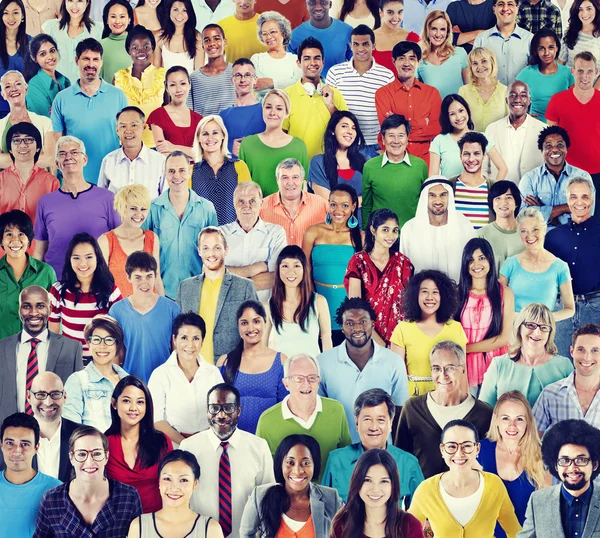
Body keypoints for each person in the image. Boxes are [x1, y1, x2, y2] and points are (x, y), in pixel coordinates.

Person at [180, 383, 275, 538]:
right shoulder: (188, 447)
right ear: (207, 411)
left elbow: (268, 499)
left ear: (238, 410)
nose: (221, 415)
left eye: (228, 408)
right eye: (215, 408)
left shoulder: (259, 447)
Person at [395, 341, 494, 478]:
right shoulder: (412, 409)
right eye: (436, 368)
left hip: (467, 495)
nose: (443, 375)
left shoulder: (483, 413)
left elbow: (490, 464)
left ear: (463, 369)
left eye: (450, 368)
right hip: (423, 497)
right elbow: (401, 460)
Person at [408, 419, 522, 537]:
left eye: (466, 446)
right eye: (451, 446)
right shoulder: (426, 490)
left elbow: (514, 531)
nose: (459, 454)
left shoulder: (494, 484)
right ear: (442, 449)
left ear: (477, 448)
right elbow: (407, 532)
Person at [318, 298, 410, 439]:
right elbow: (319, 412)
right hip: (340, 451)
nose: (357, 328)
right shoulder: (323, 362)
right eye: (350, 323)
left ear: (372, 325)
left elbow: (399, 411)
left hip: (382, 453)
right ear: (342, 328)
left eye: (363, 321)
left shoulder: (393, 361)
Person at [255, 354, 352, 481]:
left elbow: (346, 458)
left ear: (319, 381)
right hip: (285, 498)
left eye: (312, 378)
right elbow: (261, 471)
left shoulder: (336, 410)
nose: (306, 384)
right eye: (298, 379)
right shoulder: (267, 420)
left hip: (330, 498)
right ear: (286, 384)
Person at [33, 425, 143, 537]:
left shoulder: (129, 496)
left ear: (106, 456)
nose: (90, 461)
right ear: (71, 458)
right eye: (81, 454)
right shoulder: (51, 500)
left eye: (97, 453)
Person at [322, 389, 423, 505]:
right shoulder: (336, 460)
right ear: (356, 423)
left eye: (380, 420)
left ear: (390, 423)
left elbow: (421, 514)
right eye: (367, 419)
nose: (374, 427)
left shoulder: (408, 463)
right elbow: (323, 510)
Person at [176, 227, 260, 364]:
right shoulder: (185, 287)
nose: (211, 254)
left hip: (231, 369)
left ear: (226, 249)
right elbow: (178, 332)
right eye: (205, 248)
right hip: (193, 369)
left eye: (217, 248)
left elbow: (255, 332)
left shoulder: (244, 286)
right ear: (199, 251)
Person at [50, 38, 128, 184]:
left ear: (101, 62)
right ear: (76, 60)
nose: (91, 64)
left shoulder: (118, 96)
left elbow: (125, 138)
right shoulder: (61, 99)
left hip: (111, 178)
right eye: (86, 59)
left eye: (95, 59)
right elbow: (58, 144)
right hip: (74, 180)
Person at [143, 151, 218, 299]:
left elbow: (216, 253)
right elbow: (144, 253)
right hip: (162, 294)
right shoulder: (152, 209)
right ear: (164, 173)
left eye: (182, 170)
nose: (177, 176)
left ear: (190, 171)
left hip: (199, 293)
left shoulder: (207, 208)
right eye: (171, 171)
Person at [0, 285, 83, 419]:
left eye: (40, 306)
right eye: (27, 306)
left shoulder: (72, 348)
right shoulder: (2, 348)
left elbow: (78, 397)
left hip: (56, 433)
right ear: (19, 310)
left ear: (49, 309)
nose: (33, 313)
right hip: (9, 433)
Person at [240, 433, 342, 536]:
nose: (297, 471)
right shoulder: (259, 496)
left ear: (315, 465)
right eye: (290, 462)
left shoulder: (331, 498)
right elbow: (246, 533)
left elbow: (349, 529)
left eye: (306, 463)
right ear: (280, 463)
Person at [148, 313, 224, 446]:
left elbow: (222, 412)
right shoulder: (160, 374)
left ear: (202, 341)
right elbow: (157, 421)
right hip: (173, 446)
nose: (190, 344)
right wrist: (186, 443)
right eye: (184, 338)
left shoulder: (213, 373)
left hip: (209, 443)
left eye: (196, 338)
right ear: (174, 339)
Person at [479, 303, 574, 408]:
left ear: (550, 333)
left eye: (544, 327)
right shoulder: (499, 364)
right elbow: (485, 411)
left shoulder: (564, 365)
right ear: (519, 327)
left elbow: (572, 409)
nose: (537, 332)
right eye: (531, 325)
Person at [545, 177, 600, 357]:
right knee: (560, 361)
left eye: (584, 197)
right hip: (561, 310)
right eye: (574, 197)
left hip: (595, 307)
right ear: (567, 200)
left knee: (594, 363)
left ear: (592, 199)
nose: (579, 202)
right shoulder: (553, 237)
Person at [478, 391, 545, 538]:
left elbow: (547, 511)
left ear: (528, 421)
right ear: (495, 419)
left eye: (519, 419)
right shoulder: (478, 451)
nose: (512, 425)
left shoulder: (541, 456)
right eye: (506, 418)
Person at [518, 419, 600, 538]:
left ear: (594, 465)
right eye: (565, 460)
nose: (572, 468)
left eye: (581, 460)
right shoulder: (538, 501)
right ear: (555, 465)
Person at [48, 233, 122, 363]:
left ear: (97, 258)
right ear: (69, 260)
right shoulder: (58, 291)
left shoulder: (111, 292)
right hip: (69, 360)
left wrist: (114, 369)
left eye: (89, 257)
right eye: (76, 258)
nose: (83, 263)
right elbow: (53, 336)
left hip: (102, 361)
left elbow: (118, 336)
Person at [391, 270, 467, 396]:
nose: (430, 297)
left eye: (435, 292)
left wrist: (466, 407)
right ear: (416, 295)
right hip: (414, 399)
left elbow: (463, 375)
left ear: (443, 296)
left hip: (449, 397)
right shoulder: (402, 329)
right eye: (424, 292)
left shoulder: (456, 328)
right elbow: (396, 377)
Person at [109, 252, 180, 383]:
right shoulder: (116, 311)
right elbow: (115, 352)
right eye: (138, 277)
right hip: (129, 382)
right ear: (128, 277)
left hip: (164, 383)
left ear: (156, 276)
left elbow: (177, 353)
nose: (144, 283)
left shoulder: (172, 309)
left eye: (149, 276)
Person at [345, 208, 414, 346]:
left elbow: (410, 305)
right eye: (385, 230)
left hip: (399, 340)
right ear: (373, 230)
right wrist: (381, 344)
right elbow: (356, 308)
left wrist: (396, 344)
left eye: (395, 230)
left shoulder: (404, 263)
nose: (391, 235)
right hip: (367, 338)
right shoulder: (358, 262)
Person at [105, 376, 173, 513]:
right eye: (126, 401)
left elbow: (172, 485)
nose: (133, 408)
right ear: (114, 403)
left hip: (156, 522)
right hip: (118, 523)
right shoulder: (104, 443)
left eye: (140, 402)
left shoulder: (162, 441)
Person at [217, 301, 287, 434]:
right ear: (237, 326)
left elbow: (287, 406)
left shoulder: (281, 361)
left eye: (256, 321)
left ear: (265, 323)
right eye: (244, 323)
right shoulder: (225, 362)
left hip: (270, 438)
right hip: (232, 439)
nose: (251, 328)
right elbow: (216, 408)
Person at [303, 184, 362, 341]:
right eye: (333, 204)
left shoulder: (360, 238)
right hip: (318, 301)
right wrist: (311, 301)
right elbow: (305, 270)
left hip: (349, 306)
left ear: (353, 207)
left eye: (345, 205)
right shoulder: (313, 231)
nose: (338, 210)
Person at [324, 26, 394, 158]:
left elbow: (390, 114)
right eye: (356, 44)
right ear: (350, 46)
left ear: (374, 45)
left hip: (375, 145)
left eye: (365, 44)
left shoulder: (387, 75)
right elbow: (327, 108)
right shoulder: (335, 73)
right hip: (344, 144)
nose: (360, 49)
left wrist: (384, 146)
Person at [457, 238, 514, 394]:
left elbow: (503, 339)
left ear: (490, 259)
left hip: (495, 363)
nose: (477, 265)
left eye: (481, 258)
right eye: (471, 260)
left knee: (494, 412)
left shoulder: (506, 293)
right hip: (465, 366)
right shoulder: (457, 293)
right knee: (469, 413)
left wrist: (465, 348)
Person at [126, 450, 225, 538]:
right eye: (167, 479)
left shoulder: (211, 529)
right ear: (159, 482)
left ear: (195, 484)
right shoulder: (139, 526)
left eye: (183, 480)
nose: (174, 487)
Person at [375, 41, 442, 165]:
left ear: (419, 62)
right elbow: (388, 128)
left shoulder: (432, 93)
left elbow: (436, 128)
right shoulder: (382, 93)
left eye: (412, 58)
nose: (407, 63)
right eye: (401, 58)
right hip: (393, 160)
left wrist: (400, 132)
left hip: (425, 161)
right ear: (393, 62)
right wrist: (422, 122)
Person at [330, 449, 425, 537]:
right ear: (357, 481)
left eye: (384, 481)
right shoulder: (342, 523)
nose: (375, 489)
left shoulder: (410, 525)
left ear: (393, 485)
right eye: (367, 480)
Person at [499, 208, 575, 317]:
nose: (529, 236)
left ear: (544, 229)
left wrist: (543, 320)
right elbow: (498, 304)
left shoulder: (560, 267)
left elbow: (570, 309)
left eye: (535, 229)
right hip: (513, 330)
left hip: (543, 331)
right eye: (524, 231)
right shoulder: (510, 264)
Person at [220, 181, 287, 303]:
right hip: (227, 311)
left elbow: (277, 277)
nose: (247, 206)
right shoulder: (220, 234)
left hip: (264, 312)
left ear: (261, 203)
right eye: (241, 201)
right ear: (234, 204)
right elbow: (210, 273)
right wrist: (252, 269)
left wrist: (228, 279)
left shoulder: (276, 233)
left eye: (252, 201)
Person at [283, 37, 349, 160]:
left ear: (323, 62)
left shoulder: (335, 94)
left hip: (329, 167)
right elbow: (280, 136)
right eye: (307, 58)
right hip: (297, 169)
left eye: (317, 58)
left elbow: (347, 131)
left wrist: (331, 106)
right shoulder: (286, 96)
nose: (313, 63)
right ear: (298, 63)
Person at [400, 178, 476, 282]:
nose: (438, 200)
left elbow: (473, 263)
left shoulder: (464, 226)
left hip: (458, 293)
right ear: (424, 198)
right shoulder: (409, 228)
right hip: (420, 294)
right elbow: (404, 269)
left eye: (443, 195)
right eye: (432, 195)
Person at [361, 114, 428, 229]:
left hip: (412, 233)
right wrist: (365, 232)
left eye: (401, 136)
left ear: (407, 138)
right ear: (383, 139)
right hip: (380, 235)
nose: (396, 141)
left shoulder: (420, 165)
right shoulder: (370, 167)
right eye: (391, 136)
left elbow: (425, 203)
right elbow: (367, 205)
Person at [263, 245, 332, 357]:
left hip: (311, 372)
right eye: (285, 266)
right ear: (278, 269)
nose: (291, 272)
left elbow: (326, 339)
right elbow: (263, 347)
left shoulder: (319, 302)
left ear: (304, 269)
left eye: (296, 266)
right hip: (282, 372)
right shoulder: (268, 306)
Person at [62, 316, 128, 432]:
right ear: (89, 343)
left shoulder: (128, 380)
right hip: (93, 448)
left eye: (109, 340)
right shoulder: (77, 381)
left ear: (117, 344)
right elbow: (70, 429)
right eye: (96, 339)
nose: (102, 346)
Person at [0, 413, 61, 538]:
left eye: (25, 444)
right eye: (10, 443)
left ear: (36, 447)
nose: (17, 450)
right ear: (1, 445)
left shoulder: (56, 490)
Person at [520, 125, 594, 227]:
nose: (554, 150)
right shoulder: (529, 179)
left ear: (566, 149)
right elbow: (524, 217)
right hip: (540, 239)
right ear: (541, 150)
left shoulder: (583, 176)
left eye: (560, 145)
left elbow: (587, 214)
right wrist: (566, 207)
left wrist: (542, 210)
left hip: (573, 238)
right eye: (548, 146)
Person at [98, 185, 165, 298]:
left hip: (148, 308)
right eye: (133, 208)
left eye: (143, 209)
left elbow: (157, 277)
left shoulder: (152, 238)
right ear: (123, 208)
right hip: (117, 309)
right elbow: (100, 281)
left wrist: (165, 306)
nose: (139, 214)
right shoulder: (106, 241)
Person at [238, 90, 309, 197]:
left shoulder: (299, 146)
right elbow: (242, 186)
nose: (272, 112)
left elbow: (303, 186)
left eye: (279, 108)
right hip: (257, 211)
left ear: (287, 113)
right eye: (268, 107)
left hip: (290, 212)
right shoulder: (247, 144)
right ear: (262, 110)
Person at [534, 323, 600, 433]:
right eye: (580, 349)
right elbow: (532, 441)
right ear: (571, 352)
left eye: (595, 350)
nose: (587, 357)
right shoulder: (550, 394)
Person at [0, 210, 56, 340]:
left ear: (29, 240)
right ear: (1, 241)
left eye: (21, 234)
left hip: (37, 351)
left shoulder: (46, 272)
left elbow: (55, 316)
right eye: (9, 234)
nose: (15, 240)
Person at [546, 51, 600, 182]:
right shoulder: (557, 100)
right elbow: (550, 139)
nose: (585, 76)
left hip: (598, 172)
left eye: (589, 71)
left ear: (596, 72)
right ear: (573, 71)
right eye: (580, 71)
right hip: (566, 171)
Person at [429, 93, 508, 179]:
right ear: (446, 117)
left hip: (477, 191)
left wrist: (494, 191)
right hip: (450, 191)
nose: (458, 117)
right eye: (452, 114)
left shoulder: (482, 137)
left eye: (461, 110)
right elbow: (433, 177)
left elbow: (503, 168)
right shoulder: (439, 140)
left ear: (467, 110)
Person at [191, 114, 251, 226]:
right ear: (199, 138)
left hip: (235, 237)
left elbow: (249, 205)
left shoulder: (239, 167)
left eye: (215, 132)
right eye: (205, 134)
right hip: (202, 237)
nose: (210, 138)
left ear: (223, 135)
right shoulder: (191, 171)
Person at [114, 25, 166, 148]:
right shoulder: (119, 78)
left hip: (156, 145)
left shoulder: (163, 76)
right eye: (135, 47)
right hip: (127, 146)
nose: (141, 51)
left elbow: (169, 111)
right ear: (128, 50)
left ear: (153, 48)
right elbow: (114, 115)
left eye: (146, 47)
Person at [98, 106, 167, 199]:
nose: (128, 131)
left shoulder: (160, 161)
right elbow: (101, 199)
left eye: (134, 125)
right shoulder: (108, 160)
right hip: (115, 214)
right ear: (117, 131)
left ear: (144, 127)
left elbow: (166, 200)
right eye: (123, 126)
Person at [483, 81, 545, 182]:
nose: (518, 99)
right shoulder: (492, 129)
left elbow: (547, 168)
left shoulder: (542, 130)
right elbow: (484, 168)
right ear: (506, 100)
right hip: (499, 194)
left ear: (529, 100)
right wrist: (490, 191)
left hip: (530, 195)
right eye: (513, 95)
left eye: (523, 95)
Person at [23, 372, 79, 482]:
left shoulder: (83, 435)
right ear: (29, 397)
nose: (48, 402)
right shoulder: (12, 437)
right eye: (40, 394)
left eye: (55, 394)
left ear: (65, 397)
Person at [259, 158, 328, 246]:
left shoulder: (322, 205)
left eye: (295, 177)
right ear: (277, 180)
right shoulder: (261, 207)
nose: (290, 183)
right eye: (285, 177)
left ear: (302, 180)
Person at [308, 111, 366, 208]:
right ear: (332, 131)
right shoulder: (318, 162)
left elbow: (374, 195)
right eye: (344, 126)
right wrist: (361, 200)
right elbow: (327, 202)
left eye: (353, 128)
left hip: (364, 221)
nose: (350, 131)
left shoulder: (365, 159)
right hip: (333, 221)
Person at [0, 71, 56, 170]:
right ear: (3, 94)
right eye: (8, 86)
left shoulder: (45, 122)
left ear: (26, 88)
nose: (13, 89)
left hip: (40, 184)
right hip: (8, 184)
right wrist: (36, 159)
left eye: (18, 84)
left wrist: (11, 160)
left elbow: (49, 158)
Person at [516, 29, 574, 121]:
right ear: (536, 50)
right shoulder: (528, 72)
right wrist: (523, 116)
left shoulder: (568, 72)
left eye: (551, 47)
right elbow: (511, 96)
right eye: (541, 48)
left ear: (557, 48)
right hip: (536, 126)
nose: (546, 53)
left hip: (562, 127)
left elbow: (577, 103)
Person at [147, 66, 202, 159]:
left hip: (196, 172)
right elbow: (163, 153)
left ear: (189, 84)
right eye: (173, 85)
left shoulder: (199, 120)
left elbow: (202, 154)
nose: (178, 89)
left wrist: (173, 147)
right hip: (169, 171)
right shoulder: (157, 116)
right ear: (166, 87)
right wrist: (191, 154)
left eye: (183, 83)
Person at [41, 0, 102, 83]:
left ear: (87, 2)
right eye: (70, 1)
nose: (74, 6)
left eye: (79, 1)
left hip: (88, 88)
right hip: (57, 89)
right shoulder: (50, 28)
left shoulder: (99, 29)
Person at [473, 0, 533, 85]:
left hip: (520, 97)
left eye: (510, 4)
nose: (505, 8)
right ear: (494, 9)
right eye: (501, 4)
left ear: (517, 9)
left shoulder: (530, 39)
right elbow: (474, 73)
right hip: (489, 97)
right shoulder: (481, 39)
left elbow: (535, 74)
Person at [287, 0, 352, 77]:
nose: (318, 7)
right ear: (306, 5)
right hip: (307, 88)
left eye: (323, 2)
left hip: (339, 87)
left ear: (330, 4)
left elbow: (358, 64)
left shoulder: (347, 31)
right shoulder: (294, 35)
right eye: (312, 3)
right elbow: (289, 70)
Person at [218, 59, 266, 156]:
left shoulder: (265, 112)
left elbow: (273, 141)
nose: (243, 79)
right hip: (230, 168)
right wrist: (230, 146)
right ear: (232, 80)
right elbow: (215, 144)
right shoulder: (223, 115)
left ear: (255, 79)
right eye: (238, 75)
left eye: (248, 75)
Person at [417, 11, 470, 99]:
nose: (438, 34)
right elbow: (418, 96)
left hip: (458, 111)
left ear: (448, 32)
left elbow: (469, 90)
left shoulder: (460, 53)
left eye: (442, 29)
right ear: (427, 30)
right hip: (432, 111)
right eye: (434, 29)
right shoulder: (419, 59)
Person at [187, 25, 236, 116]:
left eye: (216, 38)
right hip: (204, 128)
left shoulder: (236, 72)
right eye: (207, 40)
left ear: (224, 42)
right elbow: (190, 113)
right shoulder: (194, 78)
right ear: (202, 45)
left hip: (233, 128)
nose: (212, 43)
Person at [251, 11, 302, 98]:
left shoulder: (295, 59)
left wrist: (271, 83)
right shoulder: (257, 59)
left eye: (273, 32)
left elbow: (298, 85)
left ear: (283, 32)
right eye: (264, 34)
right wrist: (286, 84)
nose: (269, 37)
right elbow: (257, 86)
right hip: (263, 107)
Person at [478, 180, 525, 272]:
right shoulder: (481, 236)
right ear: (492, 204)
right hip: (491, 286)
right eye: (498, 198)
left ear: (517, 203)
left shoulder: (527, 234)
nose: (503, 202)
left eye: (508, 197)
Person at [458, 47, 508, 132]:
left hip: (498, 143)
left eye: (484, 61)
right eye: (475, 63)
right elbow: (459, 123)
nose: (480, 66)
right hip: (470, 142)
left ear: (492, 63)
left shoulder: (505, 91)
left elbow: (510, 122)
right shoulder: (463, 91)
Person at [24, 34, 71, 118]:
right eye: (43, 54)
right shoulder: (33, 86)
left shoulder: (65, 81)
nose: (50, 57)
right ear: (34, 58)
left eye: (52, 51)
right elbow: (46, 119)